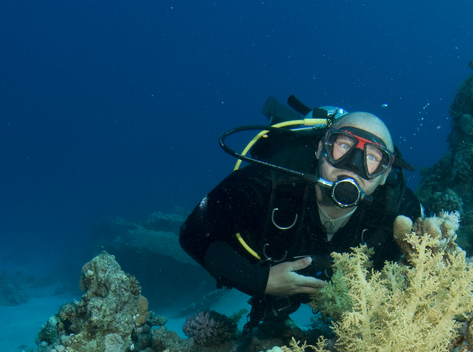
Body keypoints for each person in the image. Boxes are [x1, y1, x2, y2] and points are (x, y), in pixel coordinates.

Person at [179, 109, 422, 334]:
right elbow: (193, 233)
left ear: (384, 175)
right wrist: (260, 281)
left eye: (372, 156)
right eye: (344, 145)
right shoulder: (266, 181)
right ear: (320, 149)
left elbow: (430, 261)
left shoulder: (400, 212)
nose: (353, 165)